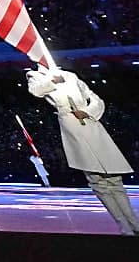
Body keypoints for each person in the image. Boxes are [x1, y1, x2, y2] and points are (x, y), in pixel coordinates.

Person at [28, 66, 139, 236]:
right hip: (71, 125)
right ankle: (123, 225)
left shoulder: (69, 75)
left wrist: (87, 111)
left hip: (91, 124)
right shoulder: (35, 75)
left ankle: (134, 223)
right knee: (97, 181)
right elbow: (36, 91)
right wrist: (51, 81)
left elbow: (95, 98)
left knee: (114, 179)